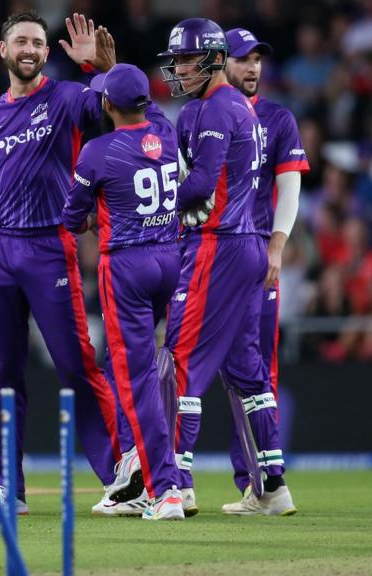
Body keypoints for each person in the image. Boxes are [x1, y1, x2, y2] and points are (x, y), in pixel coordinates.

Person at [0, 11, 121, 516]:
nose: (30, 49)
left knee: (75, 365)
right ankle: (4, 489)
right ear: (3, 50)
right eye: (21, 41)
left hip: (49, 247)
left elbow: (117, 112)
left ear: (45, 50)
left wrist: (96, 70)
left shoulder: (65, 99)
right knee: (0, 375)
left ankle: (121, 478)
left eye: (38, 42)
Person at [158, 18, 296, 517]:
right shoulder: (236, 106)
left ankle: (176, 484)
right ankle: (273, 487)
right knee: (246, 370)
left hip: (216, 245)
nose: (177, 70)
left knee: (180, 359)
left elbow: (199, 186)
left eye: (184, 60)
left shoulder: (216, 108)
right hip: (247, 245)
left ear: (212, 59)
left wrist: (153, 202)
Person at [62, 62, 184, 520]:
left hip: (127, 266)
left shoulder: (96, 150)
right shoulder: (166, 134)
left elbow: (73, 218)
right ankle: (139, 478)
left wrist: (94, 217)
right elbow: (149, 114)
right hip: (169, 259)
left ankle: (164, 487)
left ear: (107, 105)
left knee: (136, 381)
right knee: (122, 365)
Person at [214, 28, 310, 514]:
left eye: (257, 60)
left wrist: (276, 247)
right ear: (220, 63)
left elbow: (289, 189)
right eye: (241, 59)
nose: (252, 68)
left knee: (253, 369)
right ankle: (259, 482)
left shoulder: (277, 118)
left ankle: (263, 483)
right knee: (237, 371)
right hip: (211, 258)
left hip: (252, 258)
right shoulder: (205, 114)